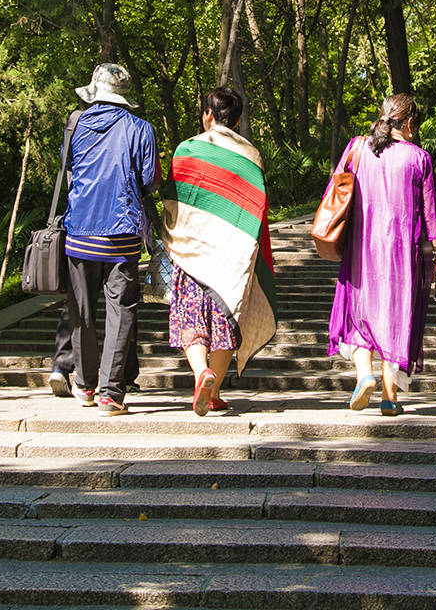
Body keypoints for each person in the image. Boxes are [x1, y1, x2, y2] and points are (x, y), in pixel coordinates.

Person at [326, 93, 436, 416]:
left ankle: (363, 374)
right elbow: (432, 217)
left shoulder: (356, 148)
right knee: (395, 317)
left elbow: (335, 191)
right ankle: (388, 397)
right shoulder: (419, 159)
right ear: (409, 123)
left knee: (358, 313)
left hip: (360, 249)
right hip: (402, 255)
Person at [159, 87, 278, 416]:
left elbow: (173, 198)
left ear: (208, 115)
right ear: (238, 120)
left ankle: (202, 374)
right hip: (232, 254)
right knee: (227, 319)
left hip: (192, 250)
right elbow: (256, 207)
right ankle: (214, 391)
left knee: (190, 315)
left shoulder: (187, 149)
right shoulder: (250, 154)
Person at [58, 63, 159, 416]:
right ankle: (111, 394)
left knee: (81, 310)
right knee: (121, 311)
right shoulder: (141, 129)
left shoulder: (77, 123)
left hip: (81, 230)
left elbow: (67, 167)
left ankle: (84, 385)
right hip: (123, 233)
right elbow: (149, 180)